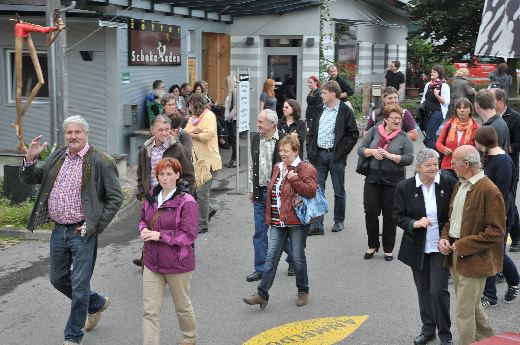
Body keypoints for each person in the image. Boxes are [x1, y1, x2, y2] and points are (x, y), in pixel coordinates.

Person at [20, 115, 123, 345]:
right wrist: (30, 158)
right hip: (59, 230)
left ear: (86, 134)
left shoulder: (101, 160)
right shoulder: (58, 156)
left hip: (82, 232)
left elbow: (115, 198)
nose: (73, 136)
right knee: (57, 278)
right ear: (64, 135)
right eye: (69, 132)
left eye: (78, 132)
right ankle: (95, 303)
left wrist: (94, 225)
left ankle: (73, 336)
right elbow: (34, 178)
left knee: (79, 284)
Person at [438, 145, 505, 345]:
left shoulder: (489, 190)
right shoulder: (460, 184)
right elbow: (451, 220)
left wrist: (462, 244)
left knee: (463, 312)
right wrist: (444, 237)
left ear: (466, 164)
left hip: (475, 260)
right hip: (456, 256)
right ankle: (490, 341)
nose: (451, 166)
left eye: (455, 163)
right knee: (473, 307)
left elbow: (496, 232)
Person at [243, 135, 317, 309]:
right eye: (281, 150)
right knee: (270, 258)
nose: (282, 153)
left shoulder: (306, 168)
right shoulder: (277, 167)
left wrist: (294, 179)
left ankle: (303, 290)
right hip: (277, 220)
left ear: (296, 151)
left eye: (286, 151)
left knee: (298, 258)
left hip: (296, 221)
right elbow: (273, 193)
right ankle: (262, 294)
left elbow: (311, 191)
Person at [394, 148, 456, 345]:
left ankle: (445, 335)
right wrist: (414, 223)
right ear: (418, 167)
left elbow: (455, 213)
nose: (433, 168)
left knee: (438, 290)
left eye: (435, 164)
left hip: (441, 246)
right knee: (423, 290)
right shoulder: (405, 187)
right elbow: (397, 215)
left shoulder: (448, 182)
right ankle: (428, 330)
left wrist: (447, 237)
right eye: (428, 165)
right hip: (417, 248)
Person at [139, 157, 198, 345]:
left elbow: (189, 236)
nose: (165, 178)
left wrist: (159, 235)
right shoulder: (151, 196)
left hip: (178, 263)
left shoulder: (186, 201)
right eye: (161, 174)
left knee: (182, 307)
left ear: (178, 175)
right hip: (151, 262)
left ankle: (189, 337)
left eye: (169, 174)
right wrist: (143, 229)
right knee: (150, 311)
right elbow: (142, 219)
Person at [133, 115, 195, 267]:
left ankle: (181, 261)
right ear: (152, 130)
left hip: (172, 199)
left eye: (167, 130)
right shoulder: (145, 149)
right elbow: (141, 175)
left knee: (173, 232)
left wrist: (178, 197)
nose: (164, 133)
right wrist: (143, 195)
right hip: (152, 198)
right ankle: (149, 261)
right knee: (151, 227)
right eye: (160, 130)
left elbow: (189, 176)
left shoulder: (177, 149)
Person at [358, 104, 414, 261]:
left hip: (393, 180)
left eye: (399, 118)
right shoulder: (375, 131)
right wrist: (372, 152)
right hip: (372, 179)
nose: (397, 121)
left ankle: (388, 248)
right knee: (370, 211)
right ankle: (372, 245)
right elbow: (361, 149)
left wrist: (391, 156)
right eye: (394, 118)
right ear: (386, 119)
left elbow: (409, 159)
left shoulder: (404, 137)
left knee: (390, 215)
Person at [473, 126, 519, 308]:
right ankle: (490, 295)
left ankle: (514, 282)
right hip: (487, 213)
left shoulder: (503, 162)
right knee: (490, 253)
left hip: (501, 215)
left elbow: (501, 194)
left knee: (495, 253)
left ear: (484, 142)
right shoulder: (488, 158)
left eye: (476, 140)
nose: (474, 143)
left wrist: (498, 218)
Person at [247, 109, 295, 282]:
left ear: (272, 124)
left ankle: (294, 260)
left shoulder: (284, 140)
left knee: (280, 232)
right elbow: (253, 165)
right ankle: (260, 268)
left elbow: (294, 165)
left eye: (261, 122)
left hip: (279, 195)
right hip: (260, 193)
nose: (258, 125)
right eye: (258, 122)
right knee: (260, 232)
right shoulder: (255, 139)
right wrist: (252, 189)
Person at [307, 80, 359, 235]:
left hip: (336, 156)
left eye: (324, 93)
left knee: (338, 190)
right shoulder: (319, 109)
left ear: (333, 94)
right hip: (319, 155)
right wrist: (310, 149)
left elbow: (353, 134)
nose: (321, 95)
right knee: (317, 189)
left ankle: (338, 220)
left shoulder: (345, 110)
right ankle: (317, 224)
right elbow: (312, 131)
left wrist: (342, 152)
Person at [186, 93, 222, 234]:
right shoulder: (193, 118)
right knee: (195, 192)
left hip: (209, 161)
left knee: (201, 193)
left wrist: (193, 134)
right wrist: (193, 132)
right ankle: (209, 210)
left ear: (196, 104)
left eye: (190, 105)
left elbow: (207, 136)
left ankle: (203, 224)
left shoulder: (209, 116)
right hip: (197, 162)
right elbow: (185, 132)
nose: (189, 107)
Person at [494, 88, 520, 252]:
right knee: (502, 203)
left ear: (501, 100)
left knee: (509, 203)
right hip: (494, 166)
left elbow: (519, 143)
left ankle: (516, 237)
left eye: (492, 100)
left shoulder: (515, 117)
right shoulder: (491, 118)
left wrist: (504, 149)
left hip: (510, 167)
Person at [435, 98, 479, 180]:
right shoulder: (449, 125)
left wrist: (468, 151)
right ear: (456, 111)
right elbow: (438, 143)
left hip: (466, 168)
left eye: (465, 107)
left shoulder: (476, 128)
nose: (462, 110)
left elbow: (479, 148)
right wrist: (443, 149)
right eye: (459, 108)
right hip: (448, 167)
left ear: (470, 110)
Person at [420, 65, 450, 149]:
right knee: (430, 135)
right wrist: (421, 108)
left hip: (437, 113)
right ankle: (439, 151)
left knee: (429, 136)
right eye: (432, 71)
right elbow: (424, 98)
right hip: (427, 113)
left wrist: (436, 95)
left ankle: (431, 155)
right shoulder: (429, 84)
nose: (432, 73)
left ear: (439, 73)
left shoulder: (444, 86)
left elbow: (446, 102)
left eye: (434, 72)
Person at [224, 75, 238, 168]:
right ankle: (234, 159)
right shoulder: (232, 91)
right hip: (230, 119)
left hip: (232, 120)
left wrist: (229, 117)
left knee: (233, 140)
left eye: (227, 81)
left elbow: (236, 106)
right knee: (233, 140)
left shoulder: (234, 91)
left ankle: (235, 160)